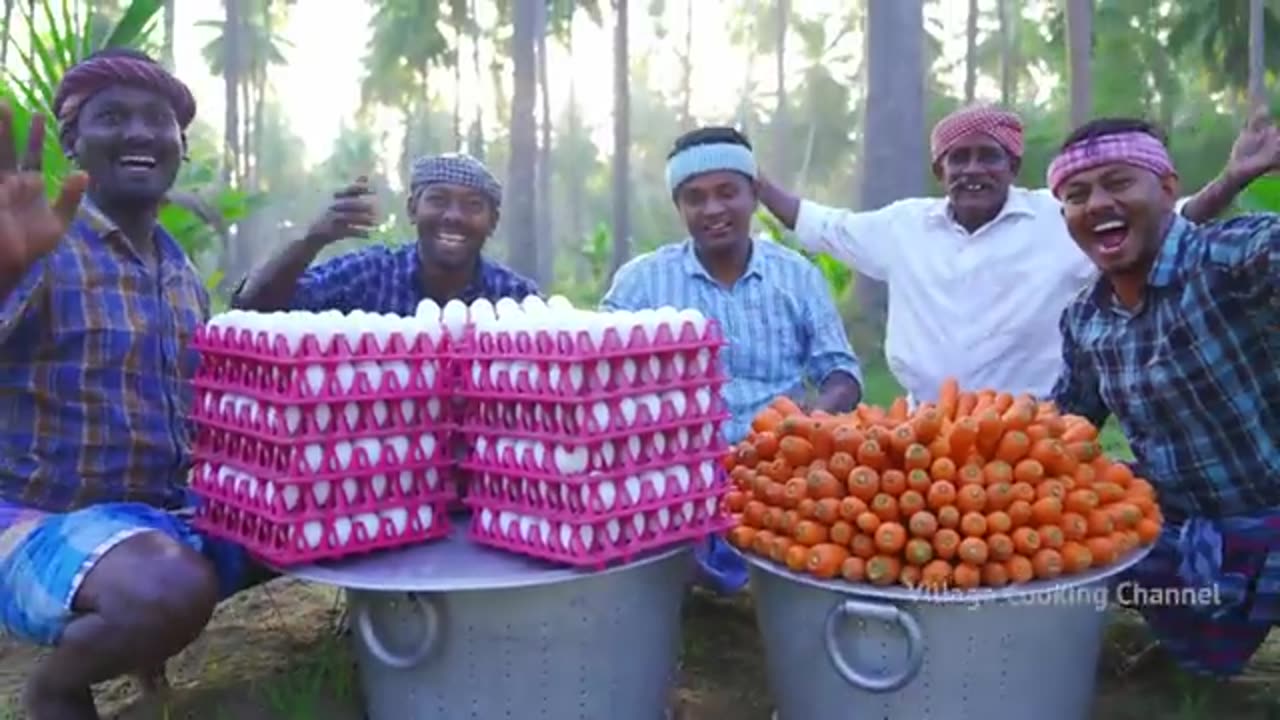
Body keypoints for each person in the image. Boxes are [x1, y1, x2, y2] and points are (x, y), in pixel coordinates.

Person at [0, 49, 259, 719]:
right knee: (164, 590)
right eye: (112, 117)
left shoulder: (178, 273)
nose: (140, 134)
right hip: (36, 524)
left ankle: (146, 618)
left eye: (158, 120)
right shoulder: (39, 246)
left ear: (180, 146)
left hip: (159, 518)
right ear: (72, 142)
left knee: (330, 519)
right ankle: (56, 688)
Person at [755, 104, 1280, 404]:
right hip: (922, 438)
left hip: (1031, 439)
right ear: (941, 171)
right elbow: (818, 224)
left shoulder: (1065, 218)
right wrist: (749, 179)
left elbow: (1172, 218)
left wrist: (1232, 179)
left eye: (989, 157)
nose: (973, 169)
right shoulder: (903, 226)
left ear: (1012, 165)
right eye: (959, 158)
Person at [1048, 116, 1279, 678]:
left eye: (1119, 183)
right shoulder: (1085, 319)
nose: (1097, 203)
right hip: (1185, 523)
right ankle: (1199, 633)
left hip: (1270, 515)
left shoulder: (1229, 258)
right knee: (1068, 520)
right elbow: (1060, 429)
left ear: (1168, 188)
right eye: (1077, 195)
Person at [600, 126, 864, 595]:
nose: (713, 210)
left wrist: (809, 422)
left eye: (728, 192)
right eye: (695, 198)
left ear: (754, 195)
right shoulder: (641, 283)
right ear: (679, 207)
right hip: (677, 472)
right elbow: (599, 376)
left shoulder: (795, 276)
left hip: (778, 468)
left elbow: (841, 372)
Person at [231, 152, 540, 312]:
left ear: (493, 222)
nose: (453, 216)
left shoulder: (515, 299)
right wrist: (311, 241)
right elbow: (253, 306)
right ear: (412, 210)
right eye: (438, 200)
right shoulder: (370, 276)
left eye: (473, 205)